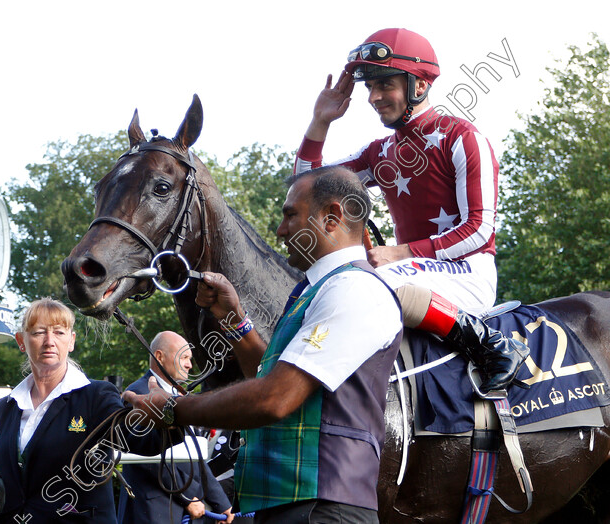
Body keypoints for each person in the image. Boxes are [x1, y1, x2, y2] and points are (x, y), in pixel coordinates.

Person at [124, 166, 403, 523]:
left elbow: (274, 397)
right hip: (297, 507)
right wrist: (233, 318)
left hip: (324, 510)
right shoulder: (316, 291)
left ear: (332, 217)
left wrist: (172, 410)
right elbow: (268, 376)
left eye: (290, 215)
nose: (280, 230)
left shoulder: (352, 289)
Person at [293, 27, 528, 393]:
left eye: (384, 84)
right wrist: (320, 121)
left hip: (467, 272)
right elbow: (306, 190)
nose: (373, 97)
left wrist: (400, 253)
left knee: (371, 283)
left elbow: (480, 230)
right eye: (370, 86)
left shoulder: (463, 138)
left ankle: (493, 346)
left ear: (418, 86)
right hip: (414, 271)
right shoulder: (379, 152)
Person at [0, 298, 176, 523]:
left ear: (71, 341)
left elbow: (143, 440)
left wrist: (168, 413)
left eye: (59, 332)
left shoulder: (97, 396)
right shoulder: (6, 406)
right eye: (38, 332)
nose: (49, 341)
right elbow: (3, 475)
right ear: (21, 341)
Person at [117, 331, 234, 524]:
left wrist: (222, 503)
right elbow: (145, 456)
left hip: (185, 511)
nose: (189, 364)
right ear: (160, 357)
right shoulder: (138, 395)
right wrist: (187, 497)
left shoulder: (179, 398)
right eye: (184, 357)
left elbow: (194, 457)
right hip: (151, 512)